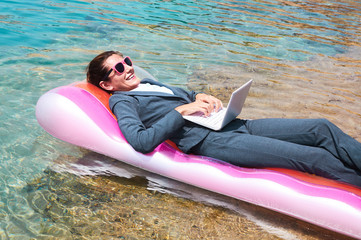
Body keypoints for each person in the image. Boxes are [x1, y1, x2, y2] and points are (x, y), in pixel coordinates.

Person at [86, 50, 361, 187]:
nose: (128, 68)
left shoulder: (148, 83)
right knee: (314, 158)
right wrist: (181, 111)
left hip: (232, 124)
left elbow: (185, 95)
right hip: (213, 141)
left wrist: (201, 95)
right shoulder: (122, 100)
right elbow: (140, 141)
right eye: (118, 68)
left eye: (127, 61)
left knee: (320, 127)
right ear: (107, 85)